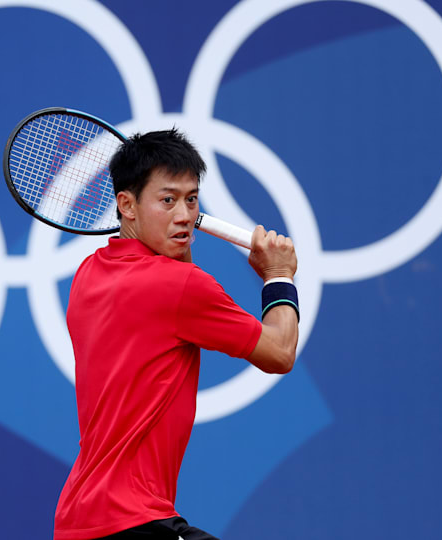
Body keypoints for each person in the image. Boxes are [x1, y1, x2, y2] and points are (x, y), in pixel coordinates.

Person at [52, 129, 299, 540]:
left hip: (79, 521)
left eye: (192, 199)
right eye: (167, 200)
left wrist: (176, 240)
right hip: (133, 519)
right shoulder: (179, 287)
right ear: (126, 205)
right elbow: (280, 352)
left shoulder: (89, 273)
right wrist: (279, 276)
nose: (184, 215)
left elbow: (172, 286)